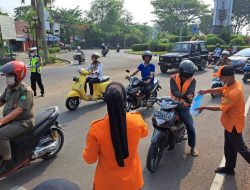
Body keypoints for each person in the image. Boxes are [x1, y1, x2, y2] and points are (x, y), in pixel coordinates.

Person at [83, 82, 148, 190]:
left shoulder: (96, 129)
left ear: (107, 102)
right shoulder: (136, 120)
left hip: (106, 184)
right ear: (124, 100)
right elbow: (144, 133)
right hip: (133, 183)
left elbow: (90, 159)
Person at [197, 65, 250, 175]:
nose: (220, 79)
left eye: (221, 77)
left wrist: (204, 107)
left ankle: (229, 167)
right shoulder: (233, 83)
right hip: (229, 123)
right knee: (229, 147)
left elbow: (220, 108)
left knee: (241, 148)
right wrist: (206, 91)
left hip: (234, 125)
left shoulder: (234, 93)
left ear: (227, 77)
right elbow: (222, 89)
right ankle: (229, 168)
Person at [0, 61, 34, 174]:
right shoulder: (9, 88)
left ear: (18, 76)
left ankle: (8, 162)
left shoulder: (26, 91)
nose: (7, 79)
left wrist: (2, 121)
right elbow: (1, 101)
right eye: (7, 76)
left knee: (1, 134)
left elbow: (19, 110)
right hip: (12, 121)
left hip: (23, 122)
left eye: (9, 76)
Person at [170, 60, 199, 157]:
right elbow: (174, 91)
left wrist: (187, 100)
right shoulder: (173, 78)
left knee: (190, 127)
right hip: (172, 103)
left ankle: (193, 147)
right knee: (161, 119)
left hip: (184, 106)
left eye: (189, 74)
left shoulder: (192, 80)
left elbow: (191, 92)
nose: (187, 77)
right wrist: (185, 96)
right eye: (186, 74)